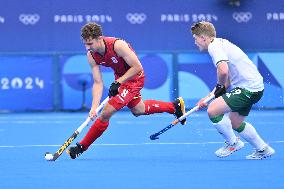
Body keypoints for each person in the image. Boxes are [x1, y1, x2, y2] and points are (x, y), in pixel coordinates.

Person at [66, 22, 186, 159]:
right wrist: (93, 107)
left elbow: (137, 67)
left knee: (106, 113)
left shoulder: (117, 45)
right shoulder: (91, 55)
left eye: (90, 44)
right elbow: (98, 83)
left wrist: (118, 82)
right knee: (138, 110)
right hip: (121, 79)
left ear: (100, 38)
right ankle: (174, 106)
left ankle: (81, 147)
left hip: (135, 78)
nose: (88, 48)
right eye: (85, 44)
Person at [190, 21, 275, 159]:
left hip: (248, 88)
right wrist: (208, 97)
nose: (195, 42)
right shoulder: (220, 44)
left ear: (203, 38)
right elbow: (226, 79)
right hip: (255, 87)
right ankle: (263, 149)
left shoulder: (214, 47)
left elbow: (223, 72)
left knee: (213, 110)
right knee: (235, 122)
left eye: (195, 38)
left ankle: (232, 143)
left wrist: (218, 89)